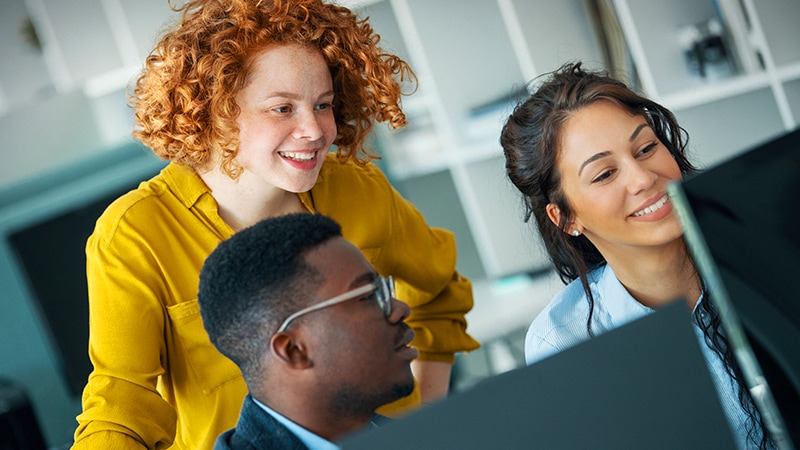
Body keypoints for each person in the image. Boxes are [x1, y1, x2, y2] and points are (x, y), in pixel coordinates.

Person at [72, 0, 479, 448]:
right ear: (217, 111)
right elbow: (123, 403)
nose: (315, 130)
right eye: (282, 108)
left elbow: (438, 291)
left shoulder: (356, 188)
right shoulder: (135, 234)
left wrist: (427, 416)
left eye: (322, 105)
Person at [500, 62, 773, 449]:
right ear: (565, 218)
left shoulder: (770, 247)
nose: (643, 178)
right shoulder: (564, 341)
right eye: (605, 174)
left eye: (646, 149)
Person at [197, 213, 417, 449]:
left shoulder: (424, 438)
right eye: (367, 296)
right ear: (294, 350)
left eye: (383, 289)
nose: (400, 309)